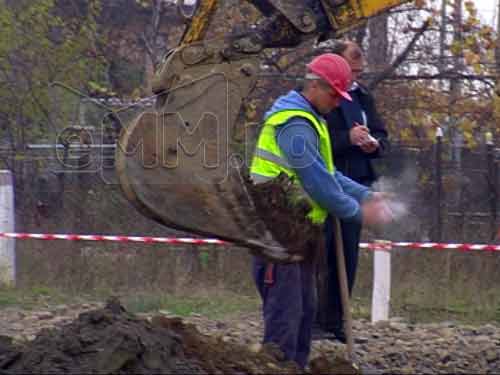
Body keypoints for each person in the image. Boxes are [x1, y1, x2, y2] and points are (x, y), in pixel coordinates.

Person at [249, 53, 393, 369]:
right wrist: (357, 212)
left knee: (303, 316)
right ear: (315, 85)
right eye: (333, 94)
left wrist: (366, 194)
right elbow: (318, 184)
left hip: (297, 235)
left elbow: (331, 175)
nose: (337, 103)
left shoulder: (312, 120)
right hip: (279, 235)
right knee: (285, 321)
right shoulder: (295, 125)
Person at [318, 41, 390, 343]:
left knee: (347, 256)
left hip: (357, 185)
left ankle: (337, 322)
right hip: (326, 183)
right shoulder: (322, 98)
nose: (356, 74)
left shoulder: (363, 97)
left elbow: (381, 134)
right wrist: (347, 138)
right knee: (322, 256)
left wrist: (374, 144)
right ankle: (316, 321)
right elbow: (318, 141)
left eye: (359, 70)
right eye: (352, 67)